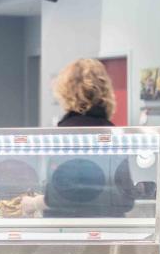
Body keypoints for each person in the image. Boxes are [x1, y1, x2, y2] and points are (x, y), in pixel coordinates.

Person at [18, 59, 134, 217]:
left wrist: (33, 203)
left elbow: (62, 195)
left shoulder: (66, 134)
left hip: (70, 230)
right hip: (108, 229)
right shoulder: (112, 134)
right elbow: (126, 200)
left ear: (66, 91)